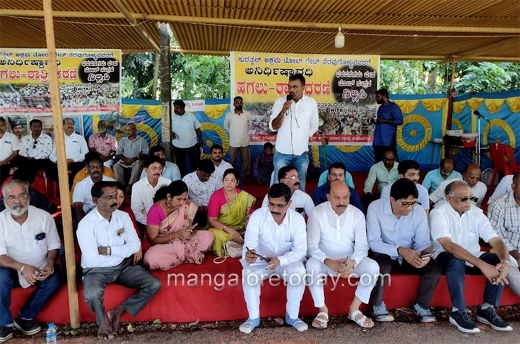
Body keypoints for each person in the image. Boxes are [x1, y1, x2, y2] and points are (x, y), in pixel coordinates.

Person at [77, 181, 161, 339]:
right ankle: (102, 322)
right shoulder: (86, 224)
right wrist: (123, 250)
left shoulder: (123, 216)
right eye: (109, 197)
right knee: (92, 293)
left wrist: (109, 250)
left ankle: (118, 311)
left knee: (154, 284)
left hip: (123, 267)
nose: (115, 200)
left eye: (115, 196)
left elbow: (135, 245)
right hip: (96, 270)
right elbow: (93, 258)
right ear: (96, 201)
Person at [430, 180, 512, 333]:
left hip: (472, 256)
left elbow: (496, 240)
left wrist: (505, 262)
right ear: (449, 198)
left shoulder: (476, 213)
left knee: (496, 261)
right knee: (456, 261)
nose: (469, 202)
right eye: (464, 199)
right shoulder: (438, 213)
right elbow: (449, 246)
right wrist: (482, 265)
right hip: (444, 256)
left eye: (471, 198)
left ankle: (487, 309)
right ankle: (458, 311)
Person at [306, 181, 379, 329]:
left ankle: (354, 310)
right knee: (311, 265)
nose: (342, 202)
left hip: (348, 262)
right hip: (324, 261)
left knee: (373, 267)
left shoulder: (357, 214)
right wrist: (328, 261)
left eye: (345, 198)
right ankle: (322, 310)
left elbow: (362, 246)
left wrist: (352, 263)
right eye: (337, 198)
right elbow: (311, 246)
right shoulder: (317, 212)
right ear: (328, 197)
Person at [367, 178, 441, 323]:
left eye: (413, 203)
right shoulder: (375, 207)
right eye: (405, 204)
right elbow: (374, 243)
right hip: (384, 253)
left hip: (409, 255)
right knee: (381, 265)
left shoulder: (418, 212)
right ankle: (377, 305)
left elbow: (422, 242)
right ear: (392, 199)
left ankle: (421, 305)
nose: (410, 208)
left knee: (433, 268)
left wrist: (422, 255)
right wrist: (400, 250)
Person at [240, 183, 307, 333]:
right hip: (262, 261)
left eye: (279, 205)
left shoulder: (297, 220)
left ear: (289, 203)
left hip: (286, 262)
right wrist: (249, 253)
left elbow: (301, 250)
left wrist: (281, 260)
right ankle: (253, 318)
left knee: (299, 272)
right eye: (271, 204)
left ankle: (292, 316)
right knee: (248, 274)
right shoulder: (258, 215)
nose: (274, 209)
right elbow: (249, 242)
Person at [0, 180, 62, 342]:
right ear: (4, 200)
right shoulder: (0, 221)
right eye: (11, 197)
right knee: (0, 277)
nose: (17, 201)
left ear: (28, 196)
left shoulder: (44, 216)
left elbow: (54, 245)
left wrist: (50, 264)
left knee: (56, 278)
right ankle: (3, 324)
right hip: (12, 269)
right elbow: (0, 256)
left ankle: (25, 318)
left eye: (21, 196)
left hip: (39, 267)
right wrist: (22, 268)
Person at [144, 181, 215, 270]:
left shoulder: (185, 205)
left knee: (209, 236)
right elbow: (153, 240)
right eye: (179, 199)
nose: (182, 203)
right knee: (150, 258)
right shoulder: (155, 211)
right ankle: (188, 253)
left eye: (184, 199)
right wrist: (176, 235)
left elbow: (190, 225)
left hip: (183, 240)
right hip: (164, 245)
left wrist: (190, 232)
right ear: (169, 196)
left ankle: (184, 253)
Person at [269, 74, 319, 192]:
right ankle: (277, 208)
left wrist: (302, 138)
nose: (291, 90)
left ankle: (298, 210)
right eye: (289, 87)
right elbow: (273, 127)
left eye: (295, 87)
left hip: (301, 153)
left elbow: (314, 126)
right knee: (278, 185)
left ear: (303, 87)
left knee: (299, 186)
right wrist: (283, 110)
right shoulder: (280, 102)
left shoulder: (310, 103)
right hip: (282, 152)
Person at [207, 169, 256, 257]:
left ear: (237, 182)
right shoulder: (216, 196)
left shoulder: (244, 196)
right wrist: (231, 231)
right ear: (222, 181)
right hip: (222, 229)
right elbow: (212, 221)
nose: (228, 183)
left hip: (241, 229)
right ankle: (236, 243)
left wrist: (246, 231)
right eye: (226, 180)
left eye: (232, 180)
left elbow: (249, 216)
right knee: (213, 234)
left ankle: (238, 242)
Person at [488, 171, 520, 298]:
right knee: (507, 268)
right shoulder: (499, 205)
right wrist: (517, 257)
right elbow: (497, 237)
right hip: (507, 252)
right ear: (513, 186)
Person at [131, 156, 172, 236]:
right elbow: (136, 212)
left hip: (167, 222)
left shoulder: (168, 183)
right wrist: (152, 224)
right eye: (154, 168)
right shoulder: (137, 186)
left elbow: (173, 205)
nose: (157, 171)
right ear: (146, 170)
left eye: (159, 168)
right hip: (146, 222)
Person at [72, 152, 115, 221]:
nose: (96, 170)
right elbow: (78, 207)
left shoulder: (112, 183)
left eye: (98, 167)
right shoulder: (81, 185)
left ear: (103, 168)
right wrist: (86, 224)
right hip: (88, 216)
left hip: (109, 215)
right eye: (92, 167)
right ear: (87, 168)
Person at [182, 159, 223, 228]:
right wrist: (195, 207)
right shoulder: (187, 180)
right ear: (198, 170)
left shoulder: (216, 178)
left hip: (213, 210)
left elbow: (221, 195)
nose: (206, 178)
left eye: (208, 176)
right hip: (193, 212)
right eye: (203, 175)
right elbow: (183, 199)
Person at [48, 118, 89, 185]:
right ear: (63, 126)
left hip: (75, 163)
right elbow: (51, 154)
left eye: (72, 124)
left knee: (80, 168)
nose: (70, 125)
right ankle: (64, 185)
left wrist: (73, 160)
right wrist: (58, 161)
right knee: (49, 169)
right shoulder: (58, 138)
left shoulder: (80, 138)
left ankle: (70, 187)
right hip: (60, 163)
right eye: (68, 124)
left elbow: (85, 153)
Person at [224, 96, 253, 184]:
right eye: (237, 102)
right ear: (234, 104)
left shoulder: (247, 114)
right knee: (232, 162)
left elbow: (250, 126)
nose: (239, 104)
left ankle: (243, 179)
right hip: (233, 142)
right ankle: (232, 179)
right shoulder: (229, 115)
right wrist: (234, 133)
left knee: (245, 162)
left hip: (245, 142)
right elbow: (226, 126)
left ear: (242, 103)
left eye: (240, 102)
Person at [171, 99, 203, 176]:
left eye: (178, 108)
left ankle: (195, 179)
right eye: (175, 108)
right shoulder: (171, 117)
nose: (175, 110)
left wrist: (201, 140)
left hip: (192, 145)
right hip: (178, 145)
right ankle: (182, 181)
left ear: (183, 108)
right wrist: (170, 132)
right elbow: (166, 128)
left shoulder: (191, 116)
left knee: (195, 165)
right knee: (180, 166)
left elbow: (197, 128)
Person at [113, 123, 149, 190]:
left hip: (137, 160)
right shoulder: (123, 140)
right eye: (126, 130)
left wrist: (136, 158)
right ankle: (121, 186)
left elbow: (145, 153)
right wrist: (126, 159)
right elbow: (119, 152)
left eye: (129, 130)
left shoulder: (142, 140)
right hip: (124, 160)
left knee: (138, 165)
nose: (127, 132)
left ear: (135, 130)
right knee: (116, 166)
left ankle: (131, 186)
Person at [372, 89, 403, 163]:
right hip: (378, 139)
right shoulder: (380, 108)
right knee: (379, 161)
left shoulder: (393, 107)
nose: (376, 99)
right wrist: (375, 122)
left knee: (391, 160)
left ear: (384, 96)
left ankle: (396, 174)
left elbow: (400, 121)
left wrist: (385, 121)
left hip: (388, 140)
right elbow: (381, 122)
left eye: (378, 97)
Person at [0, 117, 20, 185]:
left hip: (7, 164)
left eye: (1, 125)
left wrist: (3, 162)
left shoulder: (12, 137)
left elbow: (15, 153)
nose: (0, 127)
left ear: (5, 126)